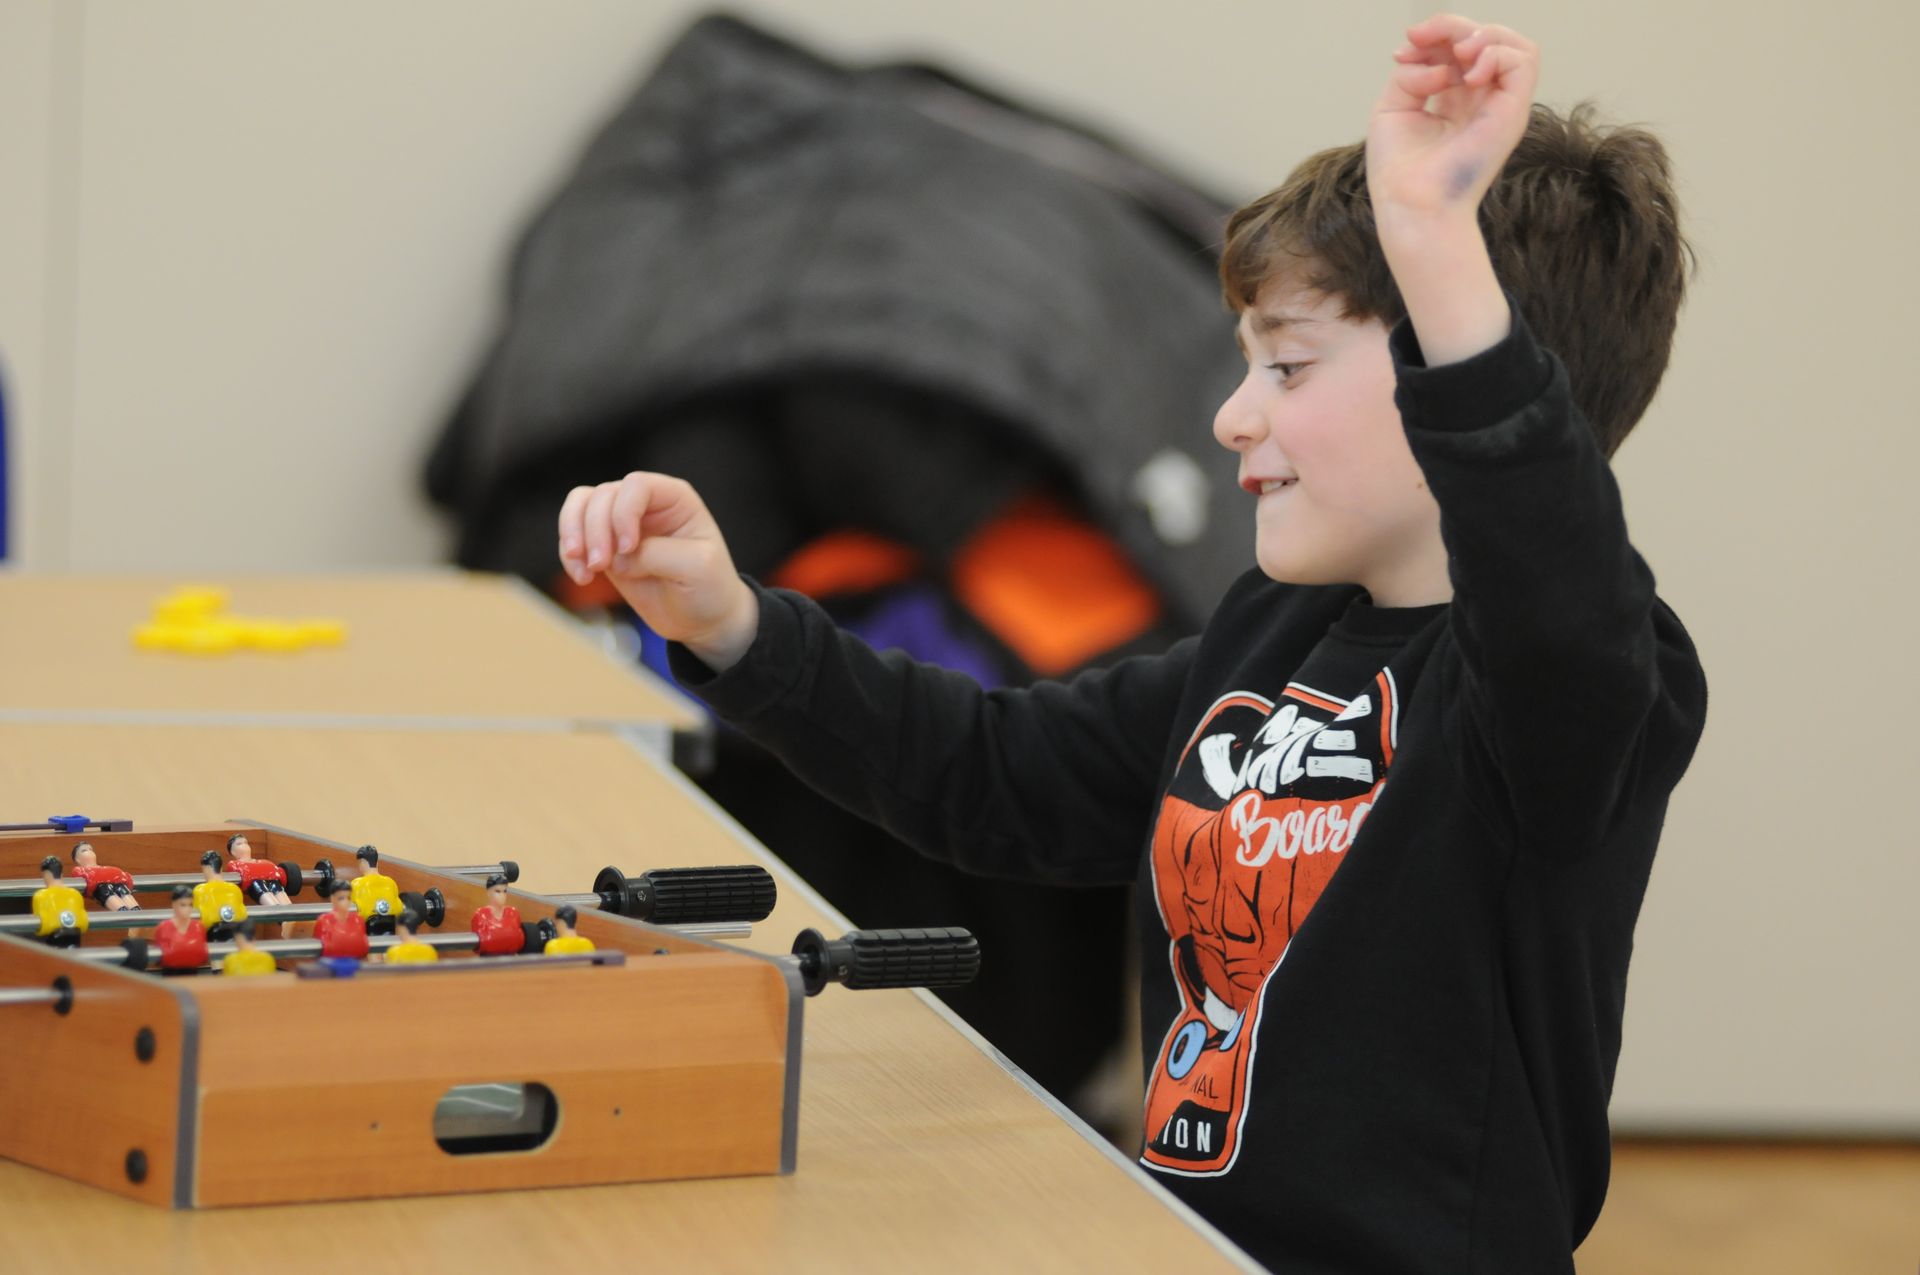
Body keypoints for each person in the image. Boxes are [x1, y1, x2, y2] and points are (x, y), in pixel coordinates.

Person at [554, 15, 1709, 1269]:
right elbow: (997, 775)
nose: (1231, 417)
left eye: (1289, 368)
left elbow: (1550, 565)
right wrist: (732, 625)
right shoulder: (1274, 630)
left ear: (1458, 376)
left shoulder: (1588, 684)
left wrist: (1433, 245)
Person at [31, 856, 88, 948]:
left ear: (46, 874)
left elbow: (43, 925)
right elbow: (83, 923)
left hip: (54, 940)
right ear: (62, 873)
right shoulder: (76, 894)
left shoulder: (41, 896)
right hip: (75, 937)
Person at [191, 850, 248, 942]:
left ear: (206, 868)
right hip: (235, 933)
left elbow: (200, 920)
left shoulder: (199, 890)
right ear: (221, 868)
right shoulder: (234, 888)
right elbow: (242, 915)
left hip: (213, 934)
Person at [349, 844, 403, 935]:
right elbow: (399, 909)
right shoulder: (391, 883)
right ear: (377, 862)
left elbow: (349, 913)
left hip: (365, 934)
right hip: (390, 931)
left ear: (362, 862)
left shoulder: (356, 884)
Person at [69, 841, 139, 911]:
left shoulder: (104, 868)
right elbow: (89, 877)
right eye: (84, 850)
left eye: (91, 849)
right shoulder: (80, 870)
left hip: (117, 884)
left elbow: (119, 874)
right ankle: (122, 910)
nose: (89, 851)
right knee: (105, 889)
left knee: (120, 888)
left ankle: (135, 909)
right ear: (77, 859)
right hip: (101, 888)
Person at [154, 885, 209, 974]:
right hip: (171, 976)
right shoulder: (163, 928)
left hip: (192, 974)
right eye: (183, 905)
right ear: (174, 904)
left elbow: (203, 957)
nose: (187, 909)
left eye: (190, 905)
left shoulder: (199, 927)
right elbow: (160, 959)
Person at [225, 833, 291, 907]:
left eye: (246, 842)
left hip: (273, 881)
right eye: (239, 844)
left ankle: (290, 914)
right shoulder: (234, 864)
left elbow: (275, 871)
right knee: (273, 904)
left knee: (285, 903)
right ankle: (276, 910)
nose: (244, 845)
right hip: (256, 884)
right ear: (233, 852)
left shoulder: (263, 861)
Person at [313, 879, 369, 961]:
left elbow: (362, 948)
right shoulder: (324, 921)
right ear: (333, 899)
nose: (346, 902)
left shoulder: (358, 920)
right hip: (330, 965)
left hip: (355, 964)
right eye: (341, 898)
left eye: (348, 898)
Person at [470, 874, 524, 956]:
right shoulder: (481, 915)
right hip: (489, 964)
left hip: (510, 963)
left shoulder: (513, 913)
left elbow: (518, 941)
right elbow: (480, 944)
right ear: (489, 892)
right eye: (497, 891)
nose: (502, 895)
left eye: (504, 891)